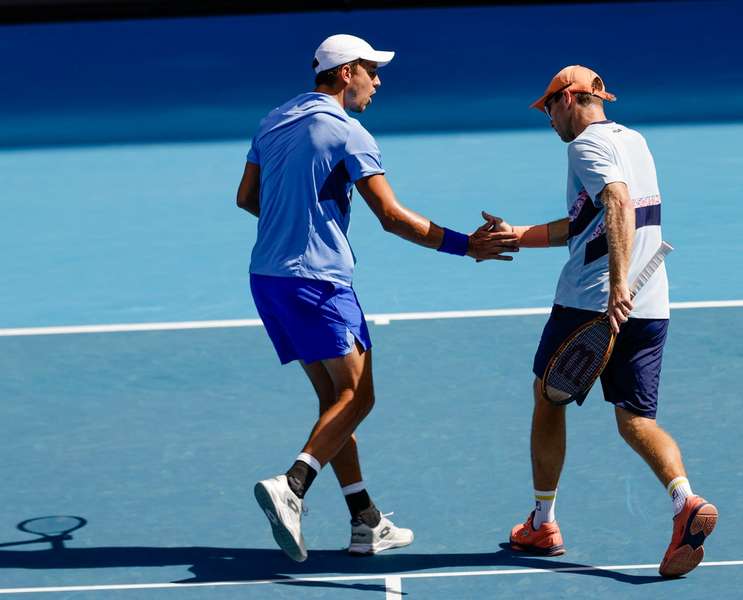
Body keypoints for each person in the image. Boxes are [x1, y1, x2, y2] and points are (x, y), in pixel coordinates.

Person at [235, 34, 518, 562]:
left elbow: (247, 198)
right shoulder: (350, 132)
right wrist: (467, 247)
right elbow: (391, 217)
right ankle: (293, 485)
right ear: (346, 73)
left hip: (268, 280)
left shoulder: (273, 119)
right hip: (318, 282)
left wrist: (295, 223)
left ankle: (365, 520)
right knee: (359, 397)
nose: (378, 82)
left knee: (335, 402)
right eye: (371, 71)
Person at [482, 65, 717, 577]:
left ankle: (543, 522)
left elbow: (616, 202)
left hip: (592, 301)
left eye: (548, 107)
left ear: (570, 99)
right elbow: (589, 219)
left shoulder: (583, 146)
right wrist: (518, 235)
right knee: (636, 421)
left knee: (549, 399)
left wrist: (613, 285)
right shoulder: (634, 141)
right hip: (650, 303)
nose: (547, 119)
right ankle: (685, 503)